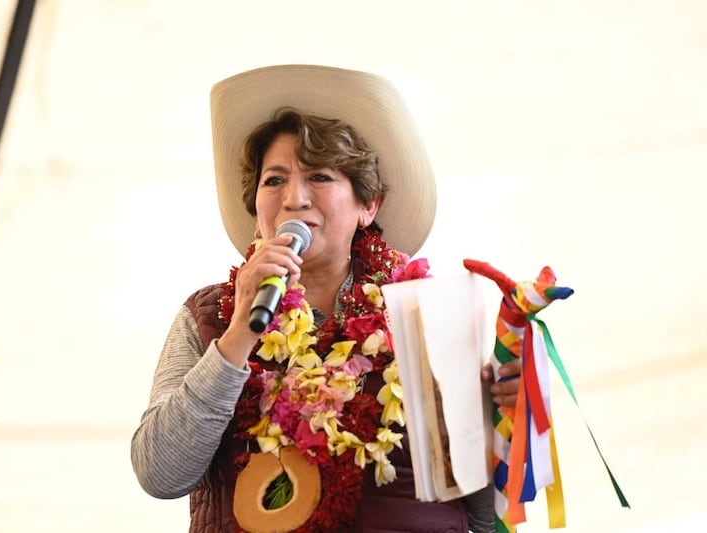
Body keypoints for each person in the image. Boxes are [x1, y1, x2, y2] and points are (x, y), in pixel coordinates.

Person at [131, 65, 522, 533]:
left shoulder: (430, 314)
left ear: (367, 205)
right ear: (257, 212)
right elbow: (160, 473)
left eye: (319, 176)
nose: (294, 198)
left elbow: (479, 514)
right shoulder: (210, 315)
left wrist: (503, 424)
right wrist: (238, 334)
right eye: (273, 181)